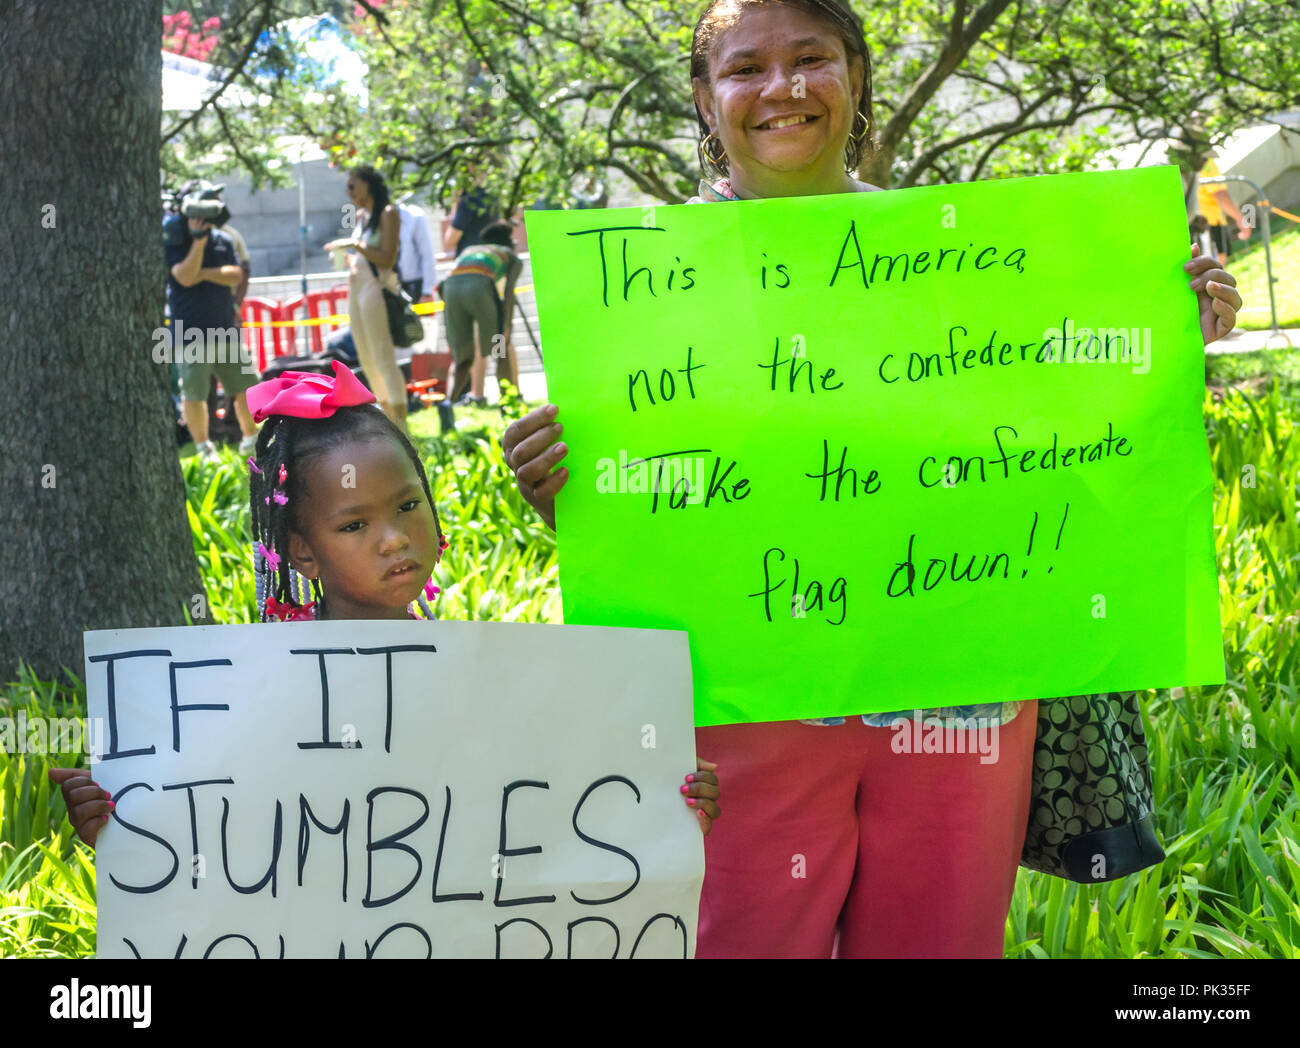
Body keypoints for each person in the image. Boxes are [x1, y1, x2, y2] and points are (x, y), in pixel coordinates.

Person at [501, 0, 1243, 959]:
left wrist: (1163, 329)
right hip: (744, 703)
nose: (783, 88)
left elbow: (1062, 425)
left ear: (854, 75)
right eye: (746, 68)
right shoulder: (636, 286)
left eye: (812, 58)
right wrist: (562, 486)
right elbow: (642, 496)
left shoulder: (965, 251)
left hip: (960, 693)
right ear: (704, 95)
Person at [49, 363, 720, 846]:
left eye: (408, 505)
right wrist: (120, 821)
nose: (395, 537)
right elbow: (221, 837)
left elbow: (553, 802)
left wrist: (663, 800)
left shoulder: (491, 672)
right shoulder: (256, 696)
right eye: (354, 525)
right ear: (302, 553)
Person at [164, 199, 259, 462]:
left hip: (224, 328)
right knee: (194, 395)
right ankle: (205, 449)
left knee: (246, 388)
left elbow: (235, 275)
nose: (202, 221)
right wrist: (198, 242)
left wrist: (203, 273)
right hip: (190, 331)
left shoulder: (222, 239)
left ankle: (252, 441)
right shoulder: (176, 239)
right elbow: (183, 276)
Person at [322, 165, 409, 433]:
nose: (349, 192)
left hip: (376, 288)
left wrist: (354, 246)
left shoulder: (388, 213)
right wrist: (351, 258)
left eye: (352, 185)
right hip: (357, 287)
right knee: (366, 357)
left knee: (383, 355)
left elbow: (386, 257)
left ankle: (402, 423)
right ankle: (388, 419)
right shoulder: (361, 216)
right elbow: (366, 253)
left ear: (368, 185)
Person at [437, 220, 522, 407]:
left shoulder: (470, 250)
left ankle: (447, 406)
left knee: (463, 358)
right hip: (480, 287)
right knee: (499, 351)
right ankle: (508, 403)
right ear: (506, 241)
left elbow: (443, 286)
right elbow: (508, 294)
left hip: (450, 289)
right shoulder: (511, 256)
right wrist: (505, 327)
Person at [1198, 155, 1252, 265]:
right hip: (1207, 225)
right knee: (1213, 271)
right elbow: (1219, 193)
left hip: (1203, 223)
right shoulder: (1203, 161)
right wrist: (1240, 219)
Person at [395, 198, 439, 305]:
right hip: (393, 286)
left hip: (415, 285)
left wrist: (427, 292)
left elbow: (427, 254)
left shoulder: (414, 216)